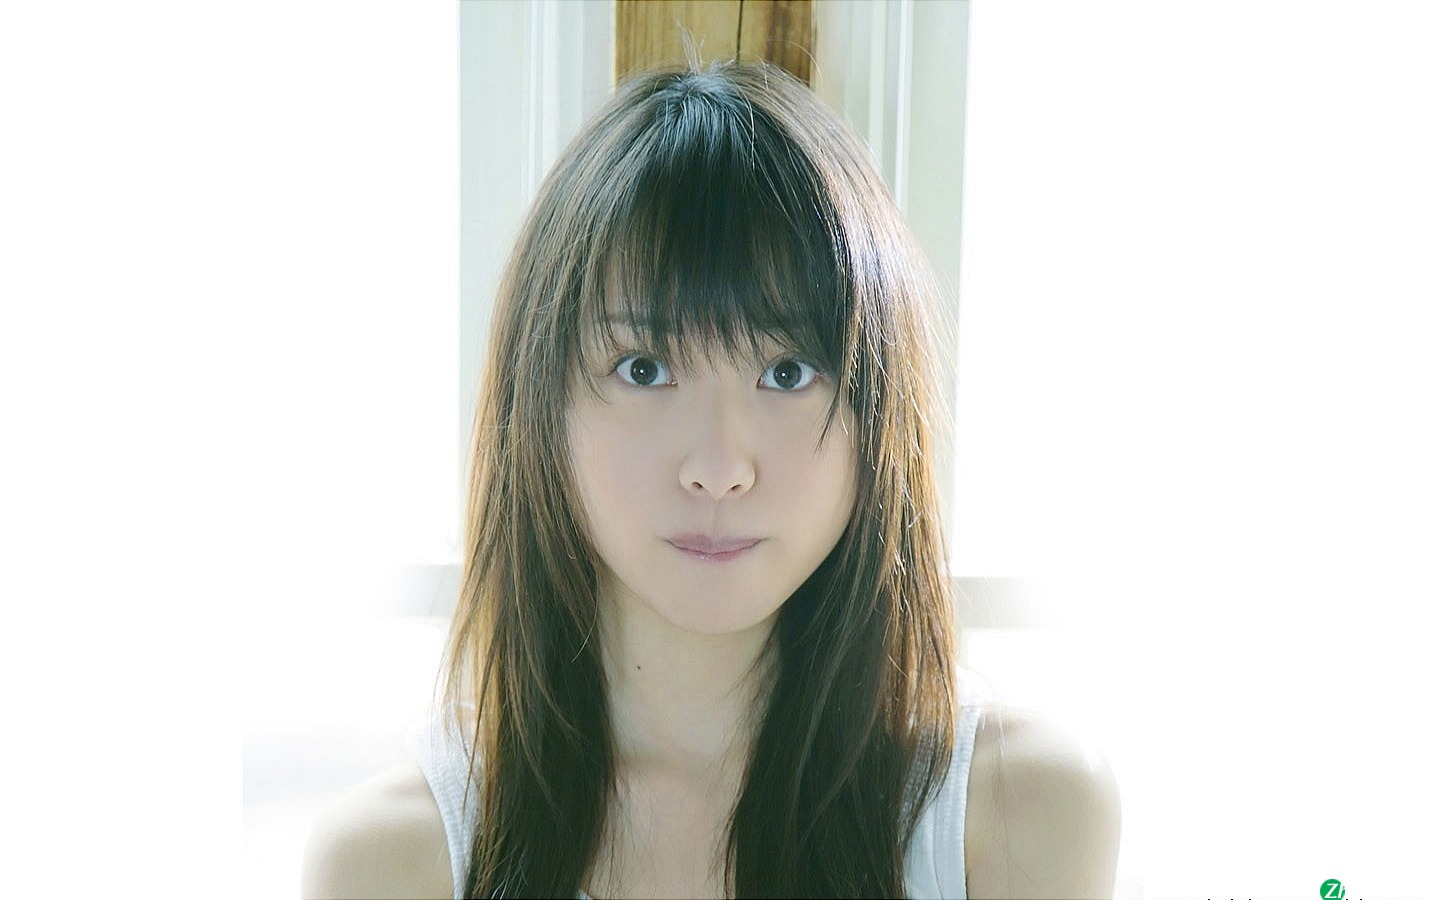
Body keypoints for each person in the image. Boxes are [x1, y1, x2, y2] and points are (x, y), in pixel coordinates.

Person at [302, 60, 1121, 900]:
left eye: (787, 372)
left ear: (878, 411)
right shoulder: (394, 863)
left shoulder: (1016, 814)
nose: (719, 469)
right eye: (644, 368)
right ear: (541, 404)